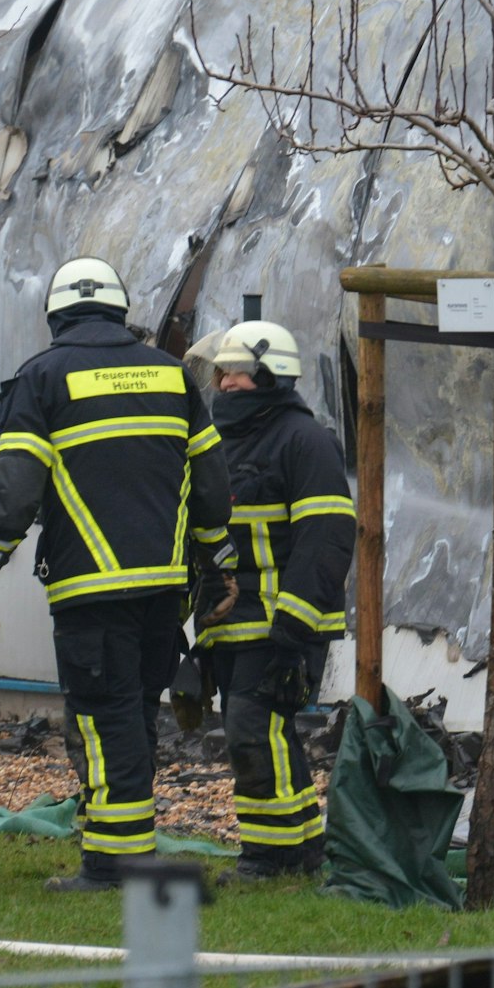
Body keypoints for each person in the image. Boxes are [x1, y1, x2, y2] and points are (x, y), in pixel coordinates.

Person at [0, 257, 234, 892]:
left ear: (56, 314)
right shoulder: (171, 375)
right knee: (134, 712)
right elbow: (212, 484)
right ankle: (124, 846)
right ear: (119, 310)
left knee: (103, 715)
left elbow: (16, 488)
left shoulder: (44, 376)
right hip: (165, 591)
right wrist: (221, 566)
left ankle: (115, 864)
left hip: (92, 590)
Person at [196, 321, 353, 879]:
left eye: (233, 371)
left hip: (281, 626)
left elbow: (326, 540)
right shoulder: (220, 441)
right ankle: (302, 849)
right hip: (233, 625)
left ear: (266, 375)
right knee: (256, 733)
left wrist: (294, 628)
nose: (222, 382)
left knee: (252, 728)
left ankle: (271, 856)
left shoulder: (304, 441)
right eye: (220, 372)